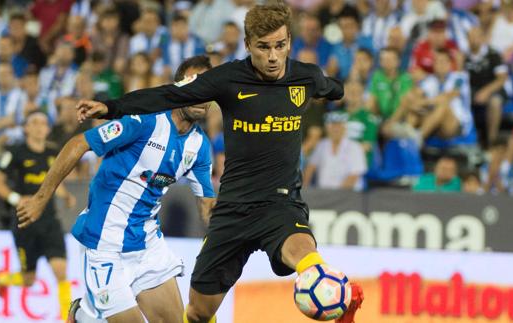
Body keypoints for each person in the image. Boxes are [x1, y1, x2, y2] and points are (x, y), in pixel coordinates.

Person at [74, 4, 364, 323]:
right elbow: (169, 95)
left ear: (290, 42)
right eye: (263, 47)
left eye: (280, 46)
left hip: (279, 203)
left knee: (303, 249)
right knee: (198, 312)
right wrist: (111, 107)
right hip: (232, 209)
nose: (272, 56)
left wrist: (337, 90)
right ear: (248, 45)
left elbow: (331, 87)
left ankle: (327, 286)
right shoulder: (228, 79)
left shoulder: (305, 78)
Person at [17, 56, 217, 323]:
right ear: (178, 87)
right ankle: (84, 315)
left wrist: (224, 243)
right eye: (195, 85)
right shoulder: (144, 121)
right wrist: (41, 198)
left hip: (147, 245)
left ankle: (86, 314)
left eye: (209, 88)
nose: (202, 96)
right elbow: (78, 144)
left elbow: (208, 207)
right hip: (104, 243)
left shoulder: (200, 147)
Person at [0, 111, 77, 321]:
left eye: (44, 123)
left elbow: (53, 182)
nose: (39, 127)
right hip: (24, 221)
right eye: (34, 122)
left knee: (60, 271)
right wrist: (16, 198)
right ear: (26, 128)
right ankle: (4, 280)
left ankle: (67, 319)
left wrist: (65, 195)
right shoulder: (16, 153)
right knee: (29, 279)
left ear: (48, 129)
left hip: (49, 221)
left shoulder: (53, 154)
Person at [303, 112, 367, 191]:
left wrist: (336, 196)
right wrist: (305, 189)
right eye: (332, 126)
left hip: (349, 195)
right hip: (323, 194)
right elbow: (310, 168)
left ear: (344, 128)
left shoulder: (355, 147)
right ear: (327, 128)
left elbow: (354, 176)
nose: (336, 129)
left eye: (339, 125)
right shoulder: (321, 145)